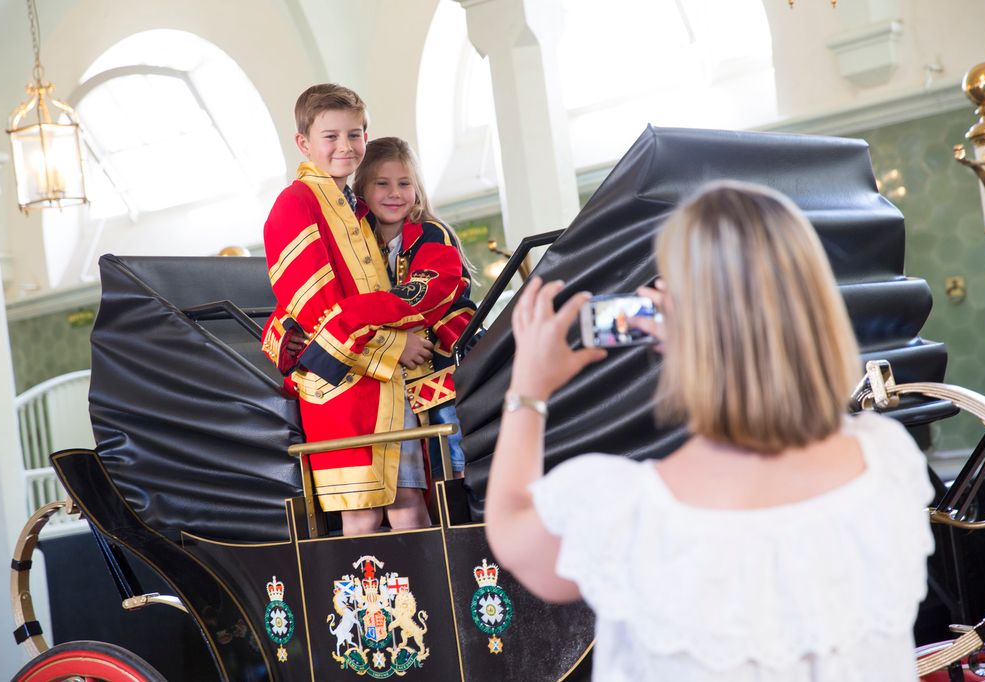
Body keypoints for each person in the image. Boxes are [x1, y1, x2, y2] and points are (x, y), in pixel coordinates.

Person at [485, 181, 935, 681]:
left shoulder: (628, 511)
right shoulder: (889, 462)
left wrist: (528, 387)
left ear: (688, 321)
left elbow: (509, 525)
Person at [260, 84, 435, 535]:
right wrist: (396, 345)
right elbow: (320, 312)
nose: (345, 146)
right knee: (360, 511)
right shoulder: (293, 204)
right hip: (338, 385)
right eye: (331, 136)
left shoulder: (356, 208)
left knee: (410, 504)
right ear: (304, 143)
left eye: (355, 135)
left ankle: (429, 606)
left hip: (386, 387)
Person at [353, 137, 477, 480]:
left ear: (417, 188)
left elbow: (425, 292)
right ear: (362, 188)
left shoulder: (432, 232)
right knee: (426, 459)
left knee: (456, 446)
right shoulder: (362, 246)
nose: (395, 193)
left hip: (446, 358)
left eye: (404, 183)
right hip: (404, 368)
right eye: (382, 183)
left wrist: (362, 314)